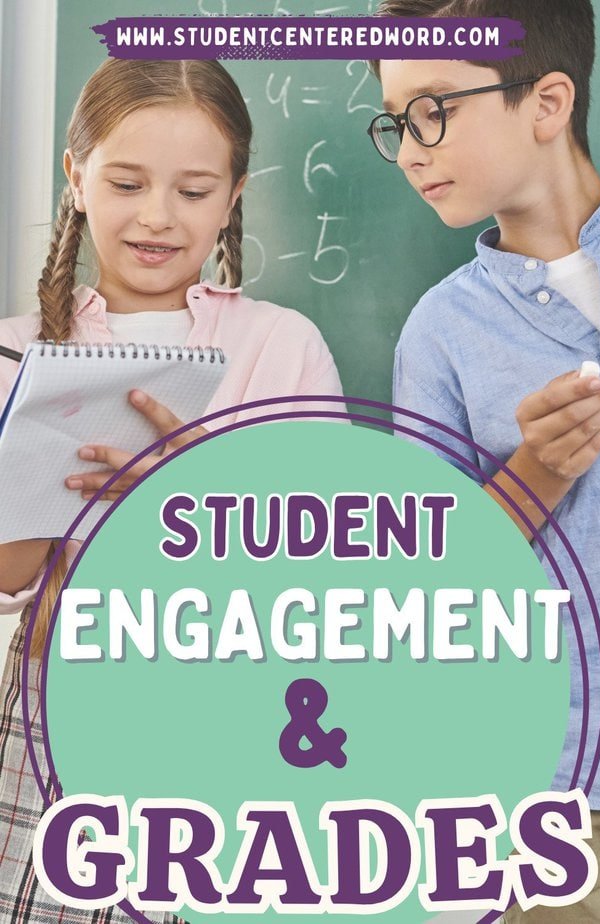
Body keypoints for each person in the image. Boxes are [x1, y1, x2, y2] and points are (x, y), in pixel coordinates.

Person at [0, 57, 343, 922]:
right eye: (126, 182)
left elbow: (332, 571)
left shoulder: (279, 345)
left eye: (194, 191)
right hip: (50, 711)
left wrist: (183, 495)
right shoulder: (16, 348)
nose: (157, 216)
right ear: (76, 178)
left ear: (232, 197)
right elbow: (9, 578)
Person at [367, 0, 600, 919]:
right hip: (555, 792)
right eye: (396, 120)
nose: (409, 149)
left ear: (547, 103)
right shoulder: (441, 334)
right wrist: (536, 477)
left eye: (435, 110)